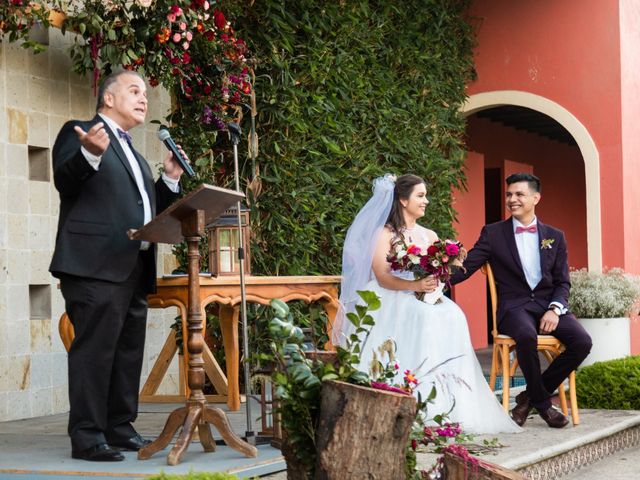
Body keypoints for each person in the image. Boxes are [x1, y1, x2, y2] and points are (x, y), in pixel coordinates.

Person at [49, 70, 185, 461]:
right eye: (134, 90)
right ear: (108, 98)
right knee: (94, 353)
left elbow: (147, 210)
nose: (143, 98)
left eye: (145, 92)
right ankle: (88, 436)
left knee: (127, 352)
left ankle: (119, 426)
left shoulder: (136, 155)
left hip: (133, 267)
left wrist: (170, 181)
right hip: (93, 265)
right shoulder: (79, 132)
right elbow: (65, 179)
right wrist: (90, 152)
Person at [335, 174, 521, 434]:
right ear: (402, 200)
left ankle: (452, 403)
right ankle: (413, 400)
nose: (426, 201)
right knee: (423, 317)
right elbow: (381, 274)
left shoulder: (429, 234)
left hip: (425, 296)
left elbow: (440, 272)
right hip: (393, 294)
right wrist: (414, 286)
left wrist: (442, 275)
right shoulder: (385, 233)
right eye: (420, 196)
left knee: (454, 314)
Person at [450, 172, 592, 428]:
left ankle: (527, 398)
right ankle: (545, 406)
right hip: (513, 308)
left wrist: (554, 309)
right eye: (509, 194)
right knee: (526, 335)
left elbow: (562, 282)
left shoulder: (555, 236)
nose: (512, 199)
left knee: (582, 341)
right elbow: (467, 267)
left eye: (519, 194)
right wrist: (435, 279)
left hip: (547, 306)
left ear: (536, 198)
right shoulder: (493, 234)